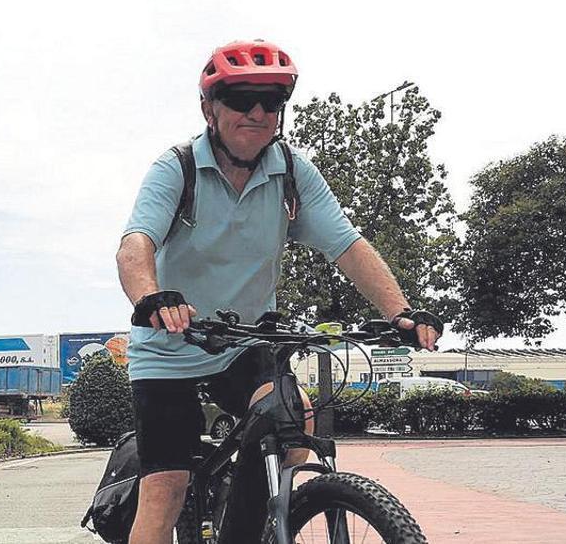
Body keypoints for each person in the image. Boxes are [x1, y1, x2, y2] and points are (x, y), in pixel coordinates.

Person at [117, 39, 442, 544]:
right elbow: (135, 244)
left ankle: (242, 525)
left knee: (293, 432)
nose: (258, 112)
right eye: (241, 98)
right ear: (209, 107)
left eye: (271, 101)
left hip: (245, 344)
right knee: (166, 487)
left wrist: (400, 311)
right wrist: (151, 299)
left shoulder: (291, 172)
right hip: (169, 350)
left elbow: (348, 245)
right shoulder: (176, 169)